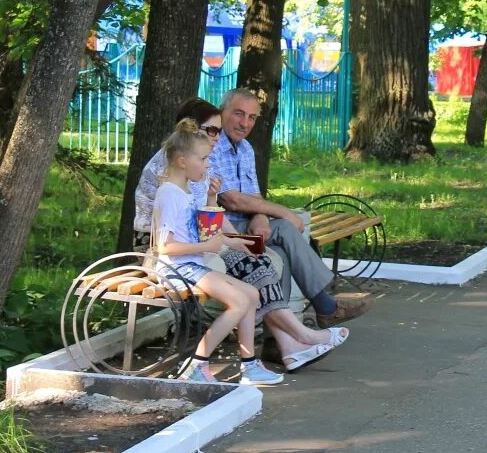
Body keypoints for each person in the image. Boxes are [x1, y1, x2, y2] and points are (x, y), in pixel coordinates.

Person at [134, 98, 345, 372]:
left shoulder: (201, 164)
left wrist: (236, 237)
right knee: (257, 265)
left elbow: (207, 215)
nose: (216, 138)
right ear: (190, 134)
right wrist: (224, 241)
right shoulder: (175, 173)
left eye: (217, 131)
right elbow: (177, 234)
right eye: (211, 131)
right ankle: (291, 339)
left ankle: (280, 347)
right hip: (167, 252)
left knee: (265, 257)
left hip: (195, 245)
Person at [211, 88, 372, 328]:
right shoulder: (212, 144)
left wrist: (262, 216)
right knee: (286, 227)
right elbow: (231, 200)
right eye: (238, 114)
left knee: (283, 253)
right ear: (222, 111)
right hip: (222, 230)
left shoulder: (244, 148)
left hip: (245, 225)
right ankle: (324, 307)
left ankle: (280, 338)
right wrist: (282, 212)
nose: (245, 123)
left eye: (252, 117)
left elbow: (254, 195)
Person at [151, 119, 286, 384]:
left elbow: (202, 227)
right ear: (181, 162)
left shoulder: (186, 190)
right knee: (238, 301)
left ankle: (249, 366)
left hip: (193, 264)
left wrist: (212, 200)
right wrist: (207, 247)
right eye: (202, 159)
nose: (207, 165)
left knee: (251, 293)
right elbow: (164, 247)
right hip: (177, 268)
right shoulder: (169, 194)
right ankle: (198, 365)